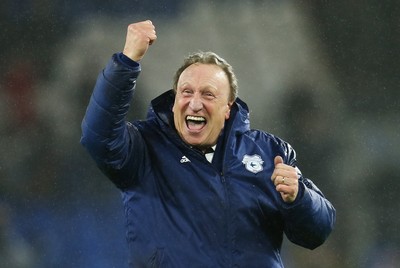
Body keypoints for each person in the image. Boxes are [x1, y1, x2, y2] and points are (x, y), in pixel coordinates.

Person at [81, 20, 335, 267]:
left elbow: (317, 232)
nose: (195, 103)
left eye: (208, 94)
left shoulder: (269, 153)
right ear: (174, 100)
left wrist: (299, 197)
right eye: (186, 92)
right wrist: (126, 62)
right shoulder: (145, 148)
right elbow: (98, 137)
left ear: (228, 108)